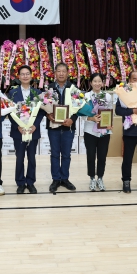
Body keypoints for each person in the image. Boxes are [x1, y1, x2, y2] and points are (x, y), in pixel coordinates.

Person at [7, 65, 43, 194]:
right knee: (20, 158)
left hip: (33, 131)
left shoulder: (38, 93)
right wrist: (17, 126)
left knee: (32, 158)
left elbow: (41, 112)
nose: (25, 76)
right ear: (19, 77)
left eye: (27, 73)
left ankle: (31, 182)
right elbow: (9, 112)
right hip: (19, 131)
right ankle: (20, 183)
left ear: (31, 76)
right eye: (22, 74)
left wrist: (35, 125)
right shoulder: (12, 93)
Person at [46, 63, 78, 193]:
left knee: (66, 155)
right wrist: (47, 114)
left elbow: (78, 107)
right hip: (53, 127)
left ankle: (64, 178)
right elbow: (43, 106)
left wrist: (72, 119)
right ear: (55, 73)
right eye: (58, 71)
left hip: (68, 127)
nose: (61, 73)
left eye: (63, 71)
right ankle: (55, 179)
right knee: (54, 154)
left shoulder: (73, 88)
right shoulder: (49, 88)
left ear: (67, 73)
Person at [83, 73, 112, 191]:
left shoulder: (107, 96)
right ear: (90, 83)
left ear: (103, 83)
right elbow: (81, 114)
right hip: (90, 131)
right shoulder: (86, 96)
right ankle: (92, 178)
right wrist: (91, 118)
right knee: (91, 156)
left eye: (99, 81)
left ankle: (100, 178)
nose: (97, 83)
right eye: (95, 81)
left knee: (102, 156)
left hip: (104, 131)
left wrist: (109, 123)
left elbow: (110, 111)